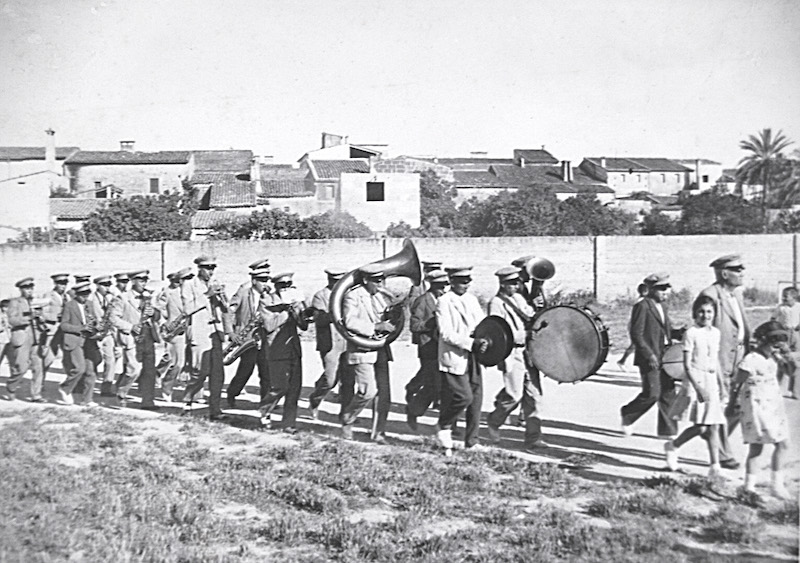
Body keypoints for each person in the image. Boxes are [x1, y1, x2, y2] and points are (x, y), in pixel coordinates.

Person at [486, 266, 547, 451]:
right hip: (512, 352)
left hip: (528, 352)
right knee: (514, 395)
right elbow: (498, 331)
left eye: (516, 282)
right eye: (511, 283)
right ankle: (494, 421)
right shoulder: (496, 303)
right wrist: (525, 334)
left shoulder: (519, 298)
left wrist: (539, 308)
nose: (515, 286)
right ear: (502, 284)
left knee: (534, 395)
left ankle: (533, 438)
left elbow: (531, 316)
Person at [698, 254, 750, 470]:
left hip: (740, 357)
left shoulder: (735, 295)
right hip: (719, 360)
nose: (742, 273)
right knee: (720, 406)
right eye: (737, 269)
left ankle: (714, 438)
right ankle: (723, 452)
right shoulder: (709, 295)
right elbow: (703, 332)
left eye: (742, 268)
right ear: (724, 273)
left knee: (738, 406)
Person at [664, 295, 725, 477]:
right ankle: (673, 446)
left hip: (711, 381)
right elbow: (687, 365)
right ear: (694, 314)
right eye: (701, 312)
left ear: (714, 314)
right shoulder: (691, 333)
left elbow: (716, 361)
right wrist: (698, 388)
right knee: (702, 427)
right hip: (695, 380)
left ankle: (715, 467)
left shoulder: (715, 333)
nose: (705, 315)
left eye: (709, 312)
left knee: (713, 425)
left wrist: (722, 385)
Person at [729, 321, 792, 499]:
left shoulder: (773, 358)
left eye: (778, 346)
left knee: (783, 443)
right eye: (772, 345)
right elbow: (736, 384)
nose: (775, 349)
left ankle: (776, 485)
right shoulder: (751, 360)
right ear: (762, 341)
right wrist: (731, 404)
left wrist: (786, 358)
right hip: (756, 407)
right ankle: (748, 488)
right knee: (757, 447)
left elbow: (790, 373)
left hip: (773, 405)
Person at [339, 264, 395, 442]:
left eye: (382, 280)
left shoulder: (381, 296)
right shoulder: (352, 296)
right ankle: (348, 418)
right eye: (377, 281)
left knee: (384, 394)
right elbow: (349, 321)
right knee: (367, 391)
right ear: (365, 280)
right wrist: (376, 327)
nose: (380, 285)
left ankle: (378, 432)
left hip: (381, 349)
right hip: (362, 349)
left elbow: (389, 318)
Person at [435, 266, 488, 455]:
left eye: (468, 281)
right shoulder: (444, 301)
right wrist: (471, 343)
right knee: (463, 397)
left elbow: (483, 324)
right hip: (455, 356)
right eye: (461, 281)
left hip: (473, 357)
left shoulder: (472, 300)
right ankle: (443, 425)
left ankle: (472, 441)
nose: (465, 285)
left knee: (476, 398)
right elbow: (446, 334)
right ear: (452, 282)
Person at [620, 273, 678, 438]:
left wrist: (679, 332)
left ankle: (667, 431)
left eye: (667, 288)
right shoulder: (643, 306)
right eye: (661, 288)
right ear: (651, 289)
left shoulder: (663, 307)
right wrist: (649, 355)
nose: (665, 292)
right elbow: (636, 334)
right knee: (651, 394)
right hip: (650, 357)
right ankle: (628, 413)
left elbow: (666, 331)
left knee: (668, 392)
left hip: (666, 355)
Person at [259, 272, 309, 432]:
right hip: (277, 350)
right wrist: (287, 312)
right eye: (283, 286)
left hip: (293, 349)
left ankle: (289, 423)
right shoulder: (267, 301)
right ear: (276, 287)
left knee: (294, 388)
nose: (287, 288)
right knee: (279, 387)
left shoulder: (295, 301)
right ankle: (264, 412)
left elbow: (304, 326)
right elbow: (269, 325)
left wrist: (301, 311)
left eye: (289, 285)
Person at [182, 256, 229, 421]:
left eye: (213, 268)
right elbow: (187, 309)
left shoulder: (214, 284)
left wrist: (223, 299)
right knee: (200, 372)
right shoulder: (189, 285)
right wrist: (207, 295)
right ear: (199, 269)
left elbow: (225, 309)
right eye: (207, 268)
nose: (211, 271)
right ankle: (188, 399)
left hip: (215, 332)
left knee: (218, 373)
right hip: (200, 331)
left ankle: (215, 409)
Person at [405, 269, 449, 433]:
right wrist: (431, 324)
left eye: (445, 286)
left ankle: (447, 424)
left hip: (443, 348)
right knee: (435, 385)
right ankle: (414, 410)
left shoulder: (446, 300)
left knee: (443, 385)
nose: (443, 290)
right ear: (433, 286)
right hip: (428, 349)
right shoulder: (422, 301)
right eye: (440, 287)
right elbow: (414, 326)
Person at [110, 270, 161, 410]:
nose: (144, 282)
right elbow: (113, 318)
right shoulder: (122, 298)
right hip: (132, 338)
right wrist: (130, 327)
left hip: (148, 336)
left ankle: (148, 401)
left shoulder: (149, 297)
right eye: (140, 280)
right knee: (134, 370)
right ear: (132, 281)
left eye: (146, 279)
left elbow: (158, 315)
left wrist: (154, 313)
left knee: (150, 371)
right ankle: (121, 392)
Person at [225, 262, 271, 408]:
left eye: (267, 280)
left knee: (266, 372)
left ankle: (266, 401)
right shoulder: (243, 293)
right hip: (248, 339)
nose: (265, 283)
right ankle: (232, 394)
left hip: (265, 339)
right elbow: (228, 312)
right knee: (245, 370)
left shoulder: (270, 295)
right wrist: (231, 332)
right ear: (254, 281)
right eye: (262, 280)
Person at [307, 267, 347, 419]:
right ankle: (314, 400)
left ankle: (346, 415)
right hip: (330, 343)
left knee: (348, 380)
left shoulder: (348, 294)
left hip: (347, 341)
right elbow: (320, 319)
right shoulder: (320, 296)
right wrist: (337, 313)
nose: (337, 284)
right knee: (331, 380)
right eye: (334, 281)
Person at [4, 278, 48, 402]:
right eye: (26, 289)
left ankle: (36, 394)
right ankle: (11, 387)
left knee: (38, 367)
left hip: (36, 338)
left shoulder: (36, 302)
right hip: (22, 338)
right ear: (21, 289)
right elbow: (12, 321)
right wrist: (29, 317)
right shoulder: (15, 302)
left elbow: (41, 318)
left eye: (31, 288)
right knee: (21, 368)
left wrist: (41, 319)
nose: (29, 291)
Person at [57, 281, 100, 406]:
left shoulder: (90, 304)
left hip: (88, 341)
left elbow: (94, 320)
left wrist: (96, 326)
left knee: (91, 371)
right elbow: (64, 325)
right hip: (75, 341)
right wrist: (80, 328)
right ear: (76, 294)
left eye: (87, 294)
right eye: (82, 294)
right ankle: (65, 388)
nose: (85, 297)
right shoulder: (70, 306)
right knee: (79, 369)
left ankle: (87, 400)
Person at [90, 275, 118, 397]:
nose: (107, 288)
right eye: (104, 285)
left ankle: (106, 388)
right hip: (95, 334)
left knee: (110, 360)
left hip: (108, 334)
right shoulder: (92, 300)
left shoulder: (109, 299)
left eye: (108, 285)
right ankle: (87, 385)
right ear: (97, 286)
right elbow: (97, 317)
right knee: (95, 360)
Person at [771, 285, 800, 399]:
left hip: (797, 334)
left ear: (794, 297)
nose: (783, 298)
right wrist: (777, 328)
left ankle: (796, 391)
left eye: (786, 296)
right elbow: (773, 318)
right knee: (782, 360)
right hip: (784, 334)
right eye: (783, 296)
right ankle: (776, 389)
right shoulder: (781, 308)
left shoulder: (798, 307)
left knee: (797, 362)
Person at [618, 281, 650, 368]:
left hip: (635, 324)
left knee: (635, 345)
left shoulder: (641, 301)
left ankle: (622, 361)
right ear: (645, 292)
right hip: (635, 325)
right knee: (635, 344)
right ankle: (622, 361)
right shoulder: (641, 302)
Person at [0, 299, 10, 374]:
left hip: (9, 339)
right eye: (5, 307)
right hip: (1, 340)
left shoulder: (10, 315)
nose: (7, 309)